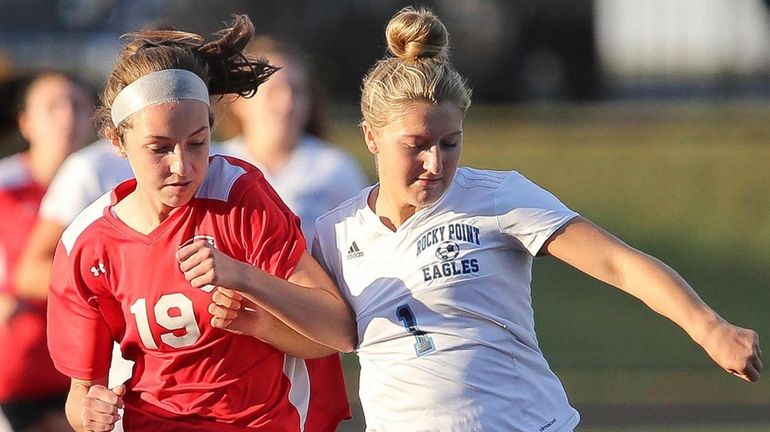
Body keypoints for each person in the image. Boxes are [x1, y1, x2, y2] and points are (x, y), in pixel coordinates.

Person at [212, 7, 763, 432]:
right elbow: (331, 336)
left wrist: (709, 327)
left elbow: (618, 264)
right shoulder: (333, 233)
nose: (435, 162)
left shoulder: (497, 197)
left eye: (450, 143)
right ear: (370, 136)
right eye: (416, 145)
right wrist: (252, 311)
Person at [46, 15, 354, 432]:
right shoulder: (87, 242)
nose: (182, 165)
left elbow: (339, 329)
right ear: (117, 142)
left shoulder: (237, 194)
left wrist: (243, 277)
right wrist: (89, 413)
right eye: (160, 147)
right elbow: (81, 394)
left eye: (197, 143)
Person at [0, 71, 94, 431]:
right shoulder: (6, 186)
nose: (67, 116)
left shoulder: (111, 184)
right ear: (25, 123)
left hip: (87, 370)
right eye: (53, 106)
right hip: (18, 372)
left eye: (76, 105)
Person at [220, 35, 368, 242]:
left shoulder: (335, 168)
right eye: (273, 91)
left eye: (297, 91)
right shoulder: (214, 163)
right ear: (239, 100)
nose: (287, 103)